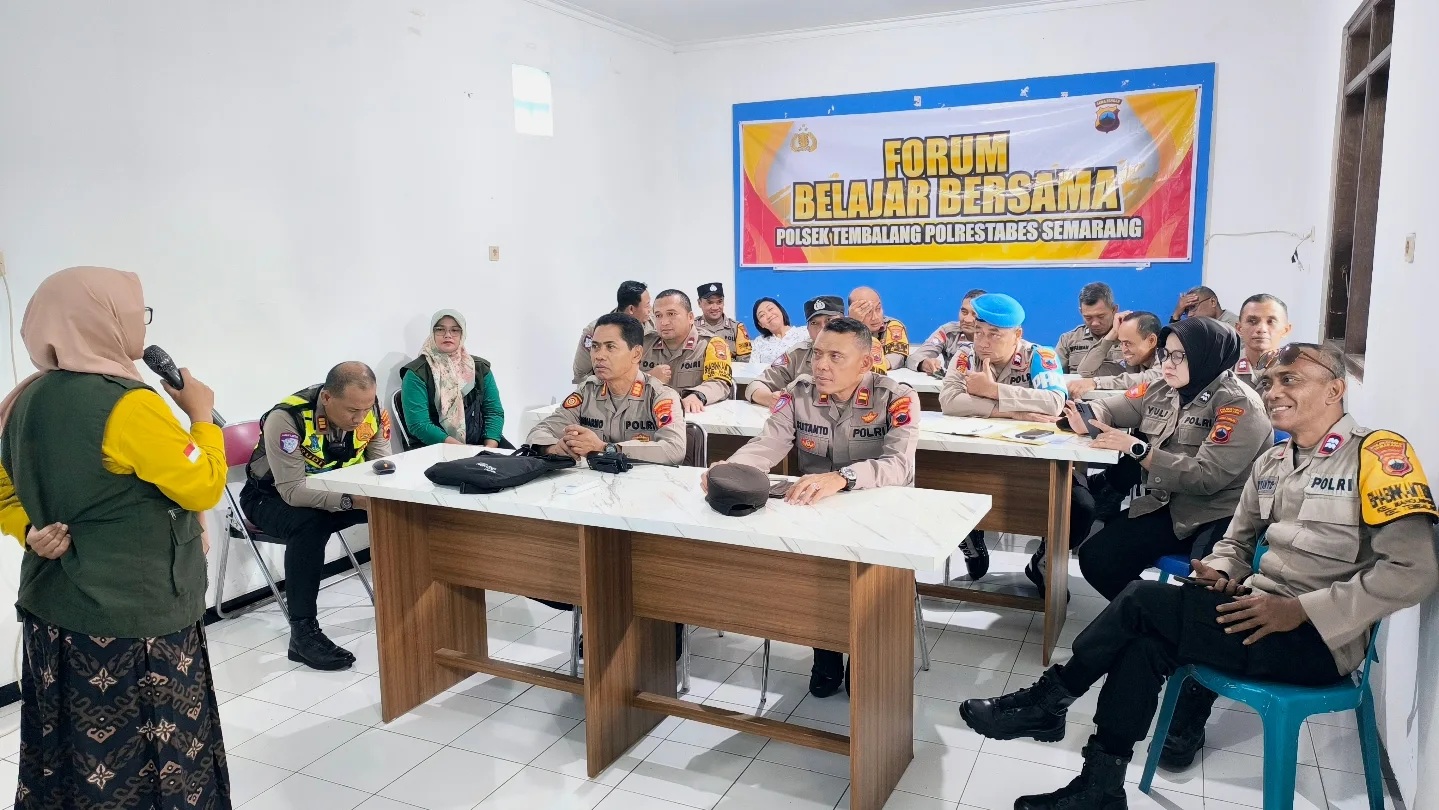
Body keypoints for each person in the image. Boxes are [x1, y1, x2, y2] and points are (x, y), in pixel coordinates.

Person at [959, 342, 1438, 810]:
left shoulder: (1377, 456)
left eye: (1290, 380)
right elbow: (1238, 540)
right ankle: (1098, 785)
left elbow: (1414, 572)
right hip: (1253, 613)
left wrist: (1299, 610)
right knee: (1143, 642)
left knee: (1142, 601)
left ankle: (1050, 700)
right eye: (1268, 381)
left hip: (1317, 640)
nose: (1272, 391)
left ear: (1335, 390)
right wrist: (1224, 569)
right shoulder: (1272, 461)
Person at [0, 266, 232, 808]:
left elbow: (4, 489)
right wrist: (202, 418)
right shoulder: (130, 405)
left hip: (56, 612)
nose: (141, 323)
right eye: (136, 312)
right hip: (134, 619)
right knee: (154, 756)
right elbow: (201, 484)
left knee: (68, 751)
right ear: (103, 319)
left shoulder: (23, 400)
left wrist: (27, 531)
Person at [711, 317, 919, 698]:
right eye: (818, 354)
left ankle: (865, 652)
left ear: (866, 362)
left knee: (868, 585)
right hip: (816, 511)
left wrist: (844, 478)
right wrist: (731, 471)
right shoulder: (799, 393)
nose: (821, 365)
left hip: (881, 513)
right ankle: (825, 651)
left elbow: (899, 465)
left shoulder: (895, 395)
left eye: (835, 357)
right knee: (813, 576)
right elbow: (769, 443)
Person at [1068, 317, 1272, 602]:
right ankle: (1148, 617)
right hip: (1172, 506)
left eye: (1180, 356)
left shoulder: (1237, 404)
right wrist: (1089, 419)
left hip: (1220, 514)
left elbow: (1206, 477)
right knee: (1097, 558)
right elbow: (1111, 406)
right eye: (1165, 354)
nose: (1168, 363)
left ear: (1206, 356)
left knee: (1205, 588)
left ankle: (1167, 621)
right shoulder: (1164, 388)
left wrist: (1139, 450)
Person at [241, 362, 393, 671]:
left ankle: (406, 598)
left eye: (365, 409)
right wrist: (352, 500)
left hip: (336, 493)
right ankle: (303, 635)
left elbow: (381, 466)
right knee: (309, 526)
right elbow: (293, 492)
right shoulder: (287, 419)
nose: (360, 417)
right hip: (269, 497)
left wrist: (385, 495)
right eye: (352, 410)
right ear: (326, 397)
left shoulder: (371, 409)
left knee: (396, 511)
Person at [938, 294, 1088, 583]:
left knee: (1081, 507)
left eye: (995, 334)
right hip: (978, 459)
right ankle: (971, 537)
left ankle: (1044, 561)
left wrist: (993, 391)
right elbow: (950, 401)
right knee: (941, 482)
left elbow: (1054, 402)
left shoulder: (1039, 356)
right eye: (979, 332)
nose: (983, 342)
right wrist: (1011, 412)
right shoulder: (965, 356)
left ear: (1017, 334)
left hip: (1035, 465)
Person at [527, 313, 687, 465]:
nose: (599, 356)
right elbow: (539, 431)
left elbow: (674, 450)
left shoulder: (659, 395)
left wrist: (606, 449)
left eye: (610, 347)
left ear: (636, 354)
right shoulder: (587, 391)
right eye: (595, 347)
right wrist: (553, 448)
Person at [399, 309, 505, 447]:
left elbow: (493, 411)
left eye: (455, 330)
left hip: (481, 444)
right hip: (435, 447)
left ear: (463, 334)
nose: (447, 335)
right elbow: (419, 425)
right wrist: (464, 451)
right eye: (440, 329)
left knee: (525, 464)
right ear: (432, 333)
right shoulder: (416, 373)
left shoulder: (479, 368)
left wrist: (489, 448)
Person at [643, 289, 734, 413]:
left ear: (690, 317)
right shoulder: (643, 345)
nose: (663, 322)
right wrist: (648, 378)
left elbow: (719, 382)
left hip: (692, 422)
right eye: (658, 315)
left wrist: (697, 395)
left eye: (671, 314)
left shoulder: (711, 344)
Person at [745, 295, 844, 408]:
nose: (822, 328)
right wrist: (770, 399)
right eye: (814, 323)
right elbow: (754, 385)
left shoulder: (859, 353)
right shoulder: (797, 354)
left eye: (829, 320)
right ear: (808, 329)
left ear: (844, 322)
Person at [1065, 311, 1163, 398]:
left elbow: (1152, 377)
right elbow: (1085, 371)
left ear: (1151, 341)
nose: (1123, 350)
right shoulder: (1134, 362)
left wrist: (1097, 382)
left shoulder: (1168, 356)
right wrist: (1112, 334)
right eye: (1121, 343)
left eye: (1128, 343)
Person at [572, 280, 654, 383]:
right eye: (647, 305)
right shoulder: (595, 331)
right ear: (631, 309)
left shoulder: (657, 323)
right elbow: (581, 376)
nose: (650, 309)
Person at [1055, 282, 1126, 377]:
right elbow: (1054, 377)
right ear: (1081, 312)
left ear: (1114, 309)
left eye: (1101, 316)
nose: (1095, 323)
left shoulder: (1130, 337)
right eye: (1088, 317)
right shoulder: (1068, 340)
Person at [907, 288, 986, 374]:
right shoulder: (948, 332)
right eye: (964, 312)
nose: (967, 320)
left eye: (975, 314)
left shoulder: (996, 337)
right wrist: (923, 363)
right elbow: (913, 358)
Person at [1233, 293, 1293, 389]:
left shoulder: (1297, 371)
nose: (1261, 329)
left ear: (1286, 330)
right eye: (1252, 321)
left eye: (1271, 322)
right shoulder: (1222, 368)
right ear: (1239, 328)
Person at [848, 286, 909, 369]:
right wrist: (853, 325)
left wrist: (878, 365)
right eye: (868, 312)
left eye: (878, 309)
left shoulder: (891, 325)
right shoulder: (839, 329)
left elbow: (897, 357)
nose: (875, 317)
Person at [697, 282, 752, 361]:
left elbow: (745, 361)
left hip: (732, 372)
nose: (715, 307)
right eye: (710, 302)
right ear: (699, 303)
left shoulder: (737, 328)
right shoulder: (691, 327)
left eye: (719, 302)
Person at [749, 297, 808, 366]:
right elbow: (753, 370)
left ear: (780, 310)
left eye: (770, 309)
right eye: (762, 315)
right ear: (761, 324)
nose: (769, 315)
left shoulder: (805, 332)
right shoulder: (758, 342)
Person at [1170, 284, 1239, 326]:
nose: (1189, 315)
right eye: (1186, 311)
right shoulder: (1198, 326)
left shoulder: (1235, 326)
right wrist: (1176, 315)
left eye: (1193, 307)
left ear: (1213, 302)